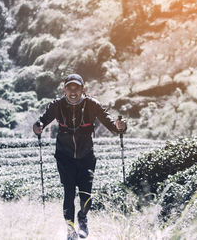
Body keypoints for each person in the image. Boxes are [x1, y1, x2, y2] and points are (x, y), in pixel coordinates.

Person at [33, 73, 127, 240]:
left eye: (77, 88)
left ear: (83, 89)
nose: (73, 91)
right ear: (65, 89)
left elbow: (112, 125)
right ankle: (70, 230)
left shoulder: (93, 105)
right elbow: (42, 121)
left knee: (86, 196)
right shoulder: (57, 105)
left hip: (86, 157)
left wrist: (120, 127)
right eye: (70, 88)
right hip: (64, 156)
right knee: (68, 193)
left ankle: (82, 217)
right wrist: (37, 127)